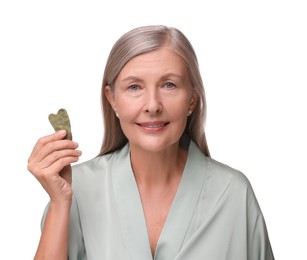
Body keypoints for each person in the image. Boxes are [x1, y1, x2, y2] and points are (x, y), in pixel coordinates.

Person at [28, 25, 275, 260]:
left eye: (169, 85)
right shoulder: (75, 191)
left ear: (191, 99)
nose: (153, 105)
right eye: (134, 87)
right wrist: (60, 204)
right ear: (112, 99)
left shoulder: (233, 193)